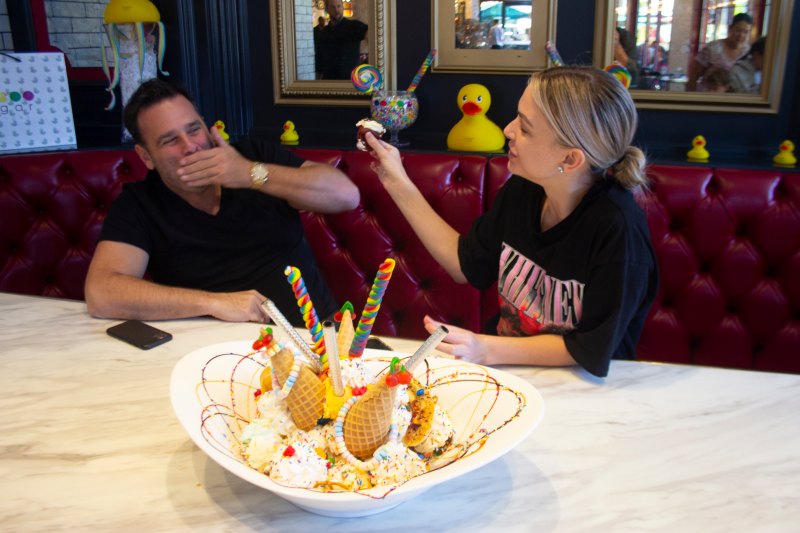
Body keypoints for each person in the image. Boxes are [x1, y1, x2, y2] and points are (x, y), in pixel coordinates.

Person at [364, 66, 658, 378]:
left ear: (570, 159)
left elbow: (591, 347)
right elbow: (464, 264)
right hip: (510, 371)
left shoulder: (618, 229)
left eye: (526, 128)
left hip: (584, 386)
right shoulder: (526, 188)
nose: (508, 129)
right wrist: (397, 182)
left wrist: (486, 348)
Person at [85, 79, 359, 325]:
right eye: (170, 140)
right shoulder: (140, 203)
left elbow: (346, 195)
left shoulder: (252, 155)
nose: (190, 146)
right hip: (217, 354)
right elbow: (102, 294)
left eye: (194, 130)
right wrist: (213, 303)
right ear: (145, 156)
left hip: (322, 341)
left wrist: (250, 174)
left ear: (206, 127)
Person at [687, 13, 753, 91]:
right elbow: (694, 75)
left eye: (746, 32)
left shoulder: (749, 53)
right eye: (738, 30)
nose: (741, 35)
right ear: (730, 29)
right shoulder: (712, 48)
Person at [315, 0, 368, 80]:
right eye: (333, 7)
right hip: (328, 82)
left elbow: (372, 34)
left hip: (351, 82)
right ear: (327, 10)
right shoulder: (323, 33)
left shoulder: (354, 26)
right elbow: (319, 60)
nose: (336, 10)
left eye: (339, 6)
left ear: (342, 7)